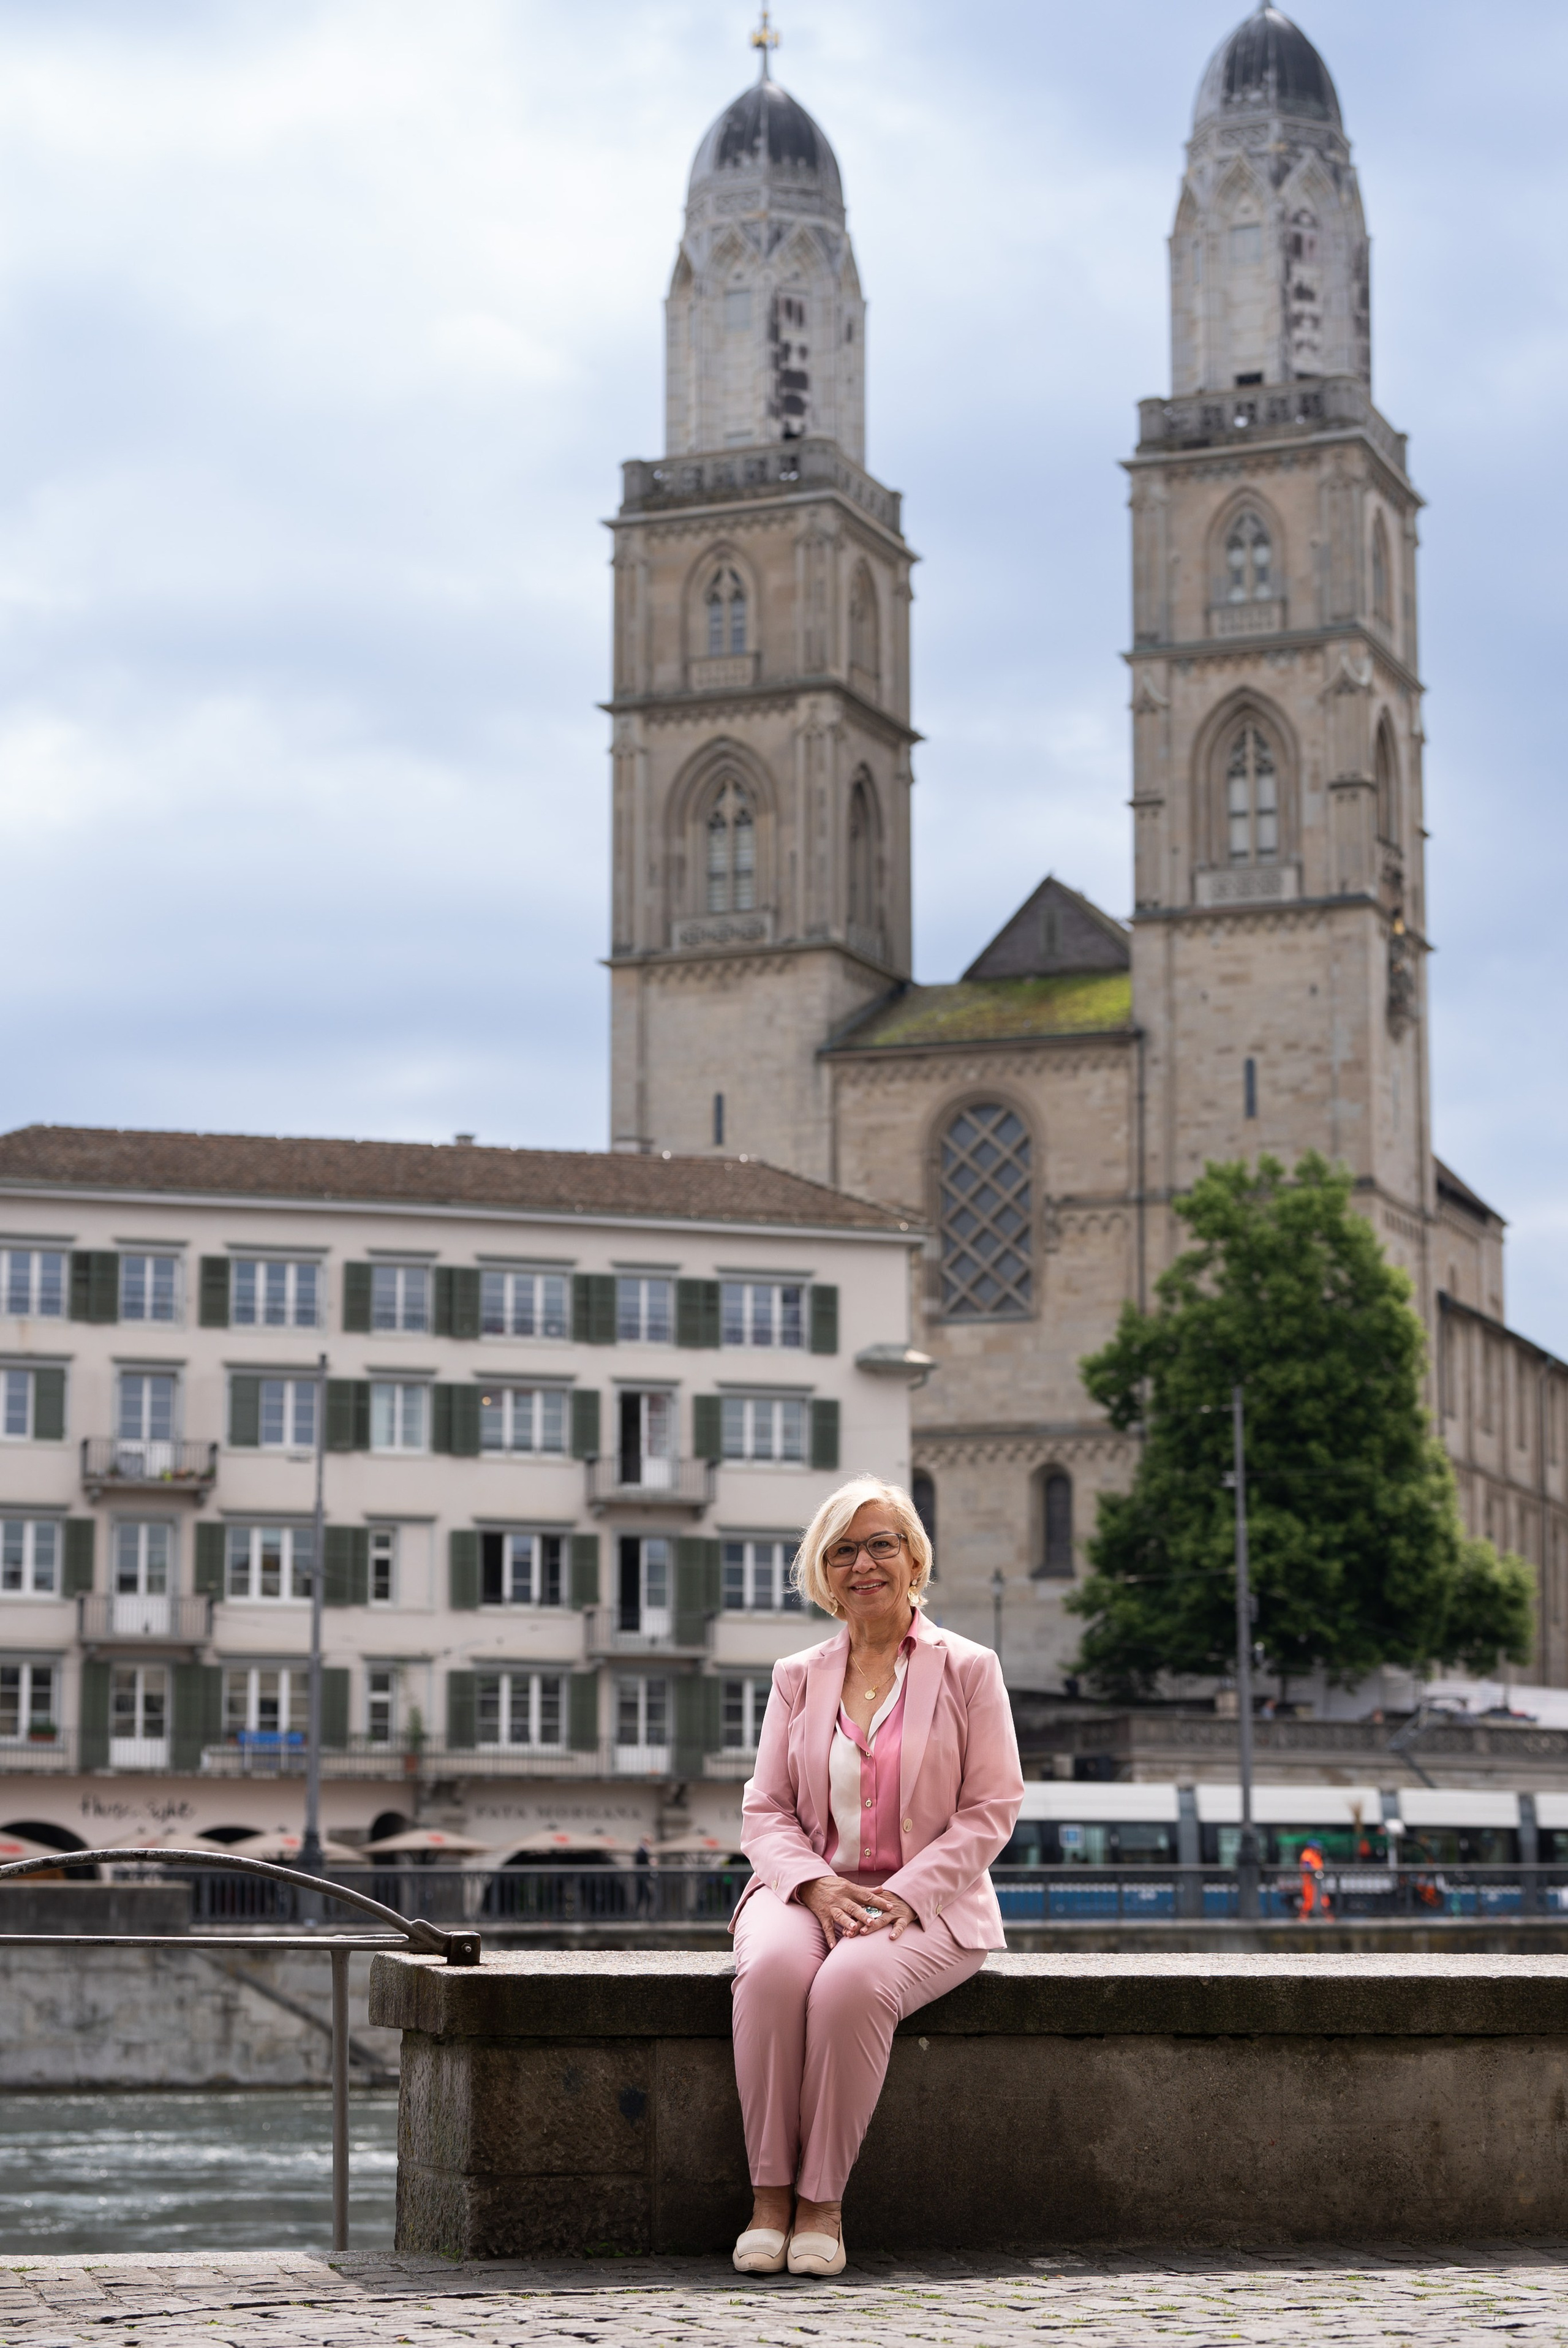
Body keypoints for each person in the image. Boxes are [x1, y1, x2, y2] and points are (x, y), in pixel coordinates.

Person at [728, 1474, 1023, 2278]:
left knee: (852, 1984)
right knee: (774, 1971)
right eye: (845, 1549)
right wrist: (816, 1886)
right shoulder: (797, 1675)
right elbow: (765, 1808)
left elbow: (992, 1806)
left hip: (930, 1902)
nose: (865, 1562)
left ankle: (822, 2204)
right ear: (825, 1574)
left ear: (914, 1559)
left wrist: (903, 1894)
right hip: (806, 1889)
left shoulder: (969, 1668)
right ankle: (769, 2196)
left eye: (882, 1543)